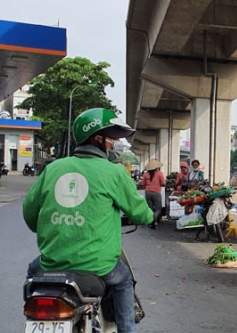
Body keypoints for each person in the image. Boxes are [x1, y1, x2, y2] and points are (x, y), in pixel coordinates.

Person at [23, 108, 154, 333]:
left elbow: (30, 215)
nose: (115, 145)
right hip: (99, 266)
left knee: (32, 273)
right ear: (97, 139)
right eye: (112, 139)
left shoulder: (53, 168)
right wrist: (150, 216)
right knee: (123, 280)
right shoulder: (114, 173)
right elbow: (141, 214)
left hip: (51, 263)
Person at [141, 159, 166, 229]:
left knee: (150, 208)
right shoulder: (159, 173)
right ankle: (154, 219)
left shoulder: (146, 174)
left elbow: (142, 184)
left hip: (148, 193)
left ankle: (151, 222)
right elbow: (163, 183)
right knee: (158, 209)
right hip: (156, 192)